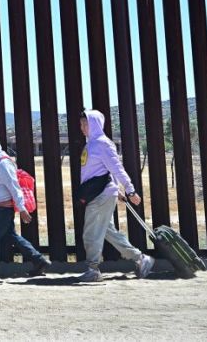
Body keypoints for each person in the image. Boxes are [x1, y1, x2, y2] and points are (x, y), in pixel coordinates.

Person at [77, 109, 155, 283]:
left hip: (100, 196)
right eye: (81, 124)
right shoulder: (91, 144)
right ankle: (141, 259)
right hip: (100, 194)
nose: (82, 127)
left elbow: (116, 168)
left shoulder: (102, 144)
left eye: (85, 123)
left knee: (90, 233)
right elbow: (104, 170)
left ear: (95, 124)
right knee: (109, 232)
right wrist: (116, 188)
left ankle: (92, 269)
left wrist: (130, 189)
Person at [0, 129, 50, 283]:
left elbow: (14, 187)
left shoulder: (2, 162)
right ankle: (39, 260)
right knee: (12, 236)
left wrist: (22, 209)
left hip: (3, 210)